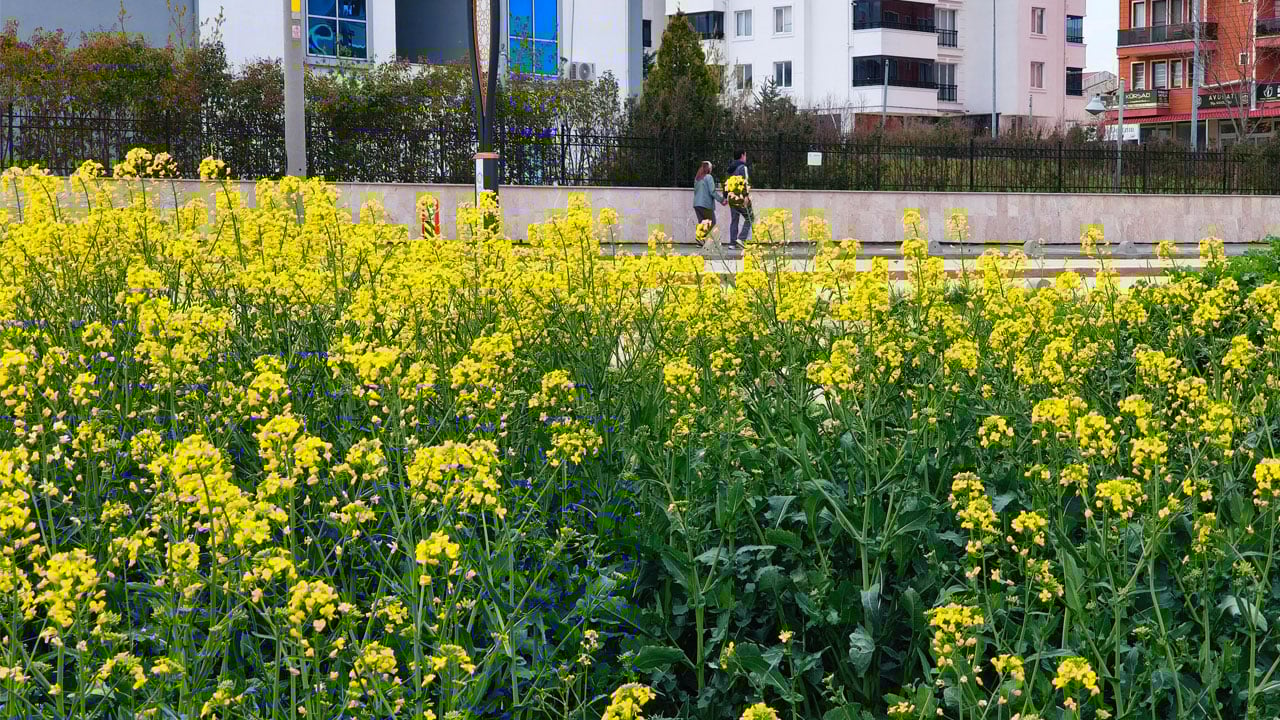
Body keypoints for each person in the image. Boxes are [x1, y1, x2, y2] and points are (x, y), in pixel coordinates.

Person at [726, 149, 752, 247]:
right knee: (750, 217)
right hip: (740, 197)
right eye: (745, 155)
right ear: (742, 155)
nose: (746, 157)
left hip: (731, 197)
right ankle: (741, 239)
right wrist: (745, 195)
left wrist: (725, 196)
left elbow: (726, 183)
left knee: (734, 220)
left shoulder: (730, 169)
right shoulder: (743, 168)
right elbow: (744, 182)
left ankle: (732, 243)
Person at [692, 160, 725, 236]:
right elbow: (712, 192)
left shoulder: (697, 178)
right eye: (711, 168)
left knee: (702, 223)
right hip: (705, 204)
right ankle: (701, 238)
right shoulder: (709, 177)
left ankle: (700, 239)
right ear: (709, 169)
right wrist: (721, 200)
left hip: (696, 204)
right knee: (712, 221)